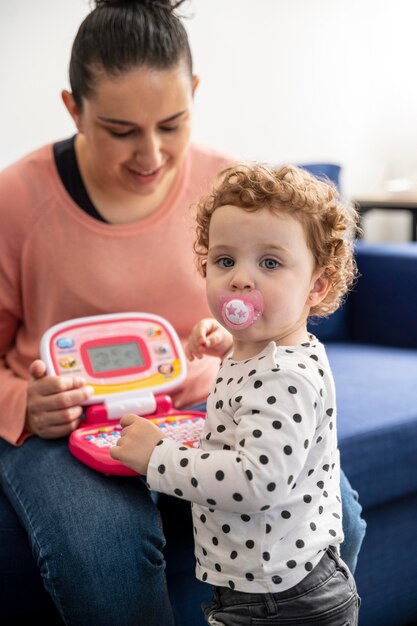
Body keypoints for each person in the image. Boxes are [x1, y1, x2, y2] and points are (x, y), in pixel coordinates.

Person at [0, 0, 365, 624]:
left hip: (203, 405)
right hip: (66, 426)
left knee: (341, 521)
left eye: (173, 124)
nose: (151, 155)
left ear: (194, 94)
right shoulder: (16, 199)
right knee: (105, 551)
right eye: (120, 130)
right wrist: (19, 402)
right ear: (73, 109)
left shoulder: (229, 190)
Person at [110, 163, 361, 625]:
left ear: (317, 285)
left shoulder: (286, 378)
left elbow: (256, 481)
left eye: (269, 263)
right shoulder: (279, 351)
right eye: (225, 261)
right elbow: (261, 377)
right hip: (282, 581)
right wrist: (231, 345)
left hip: (277, 600)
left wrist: (157, 458)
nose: (240, 279)